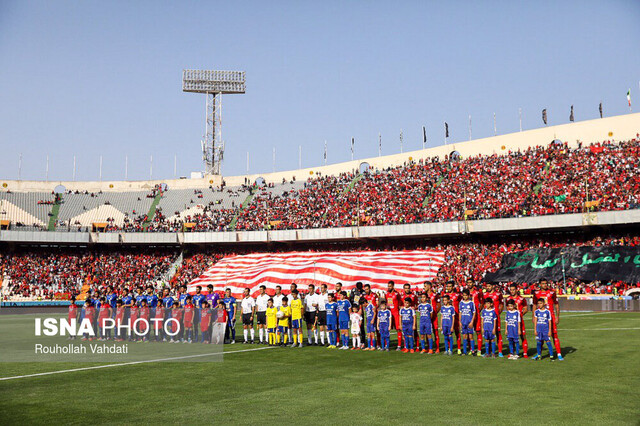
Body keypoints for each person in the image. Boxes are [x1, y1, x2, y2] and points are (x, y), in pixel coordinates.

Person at [533, 279, 563, 360]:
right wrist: (533, 316)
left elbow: (556, 305)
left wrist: (557, 317)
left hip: (551, 317)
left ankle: (559, 353)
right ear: (540, 284)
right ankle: (539, 354)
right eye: (543, 283)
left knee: (554, 335)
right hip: (540, 318)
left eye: (546, 283)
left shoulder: (552, 293)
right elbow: (534, 305)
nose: (545, 285)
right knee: (540, 337)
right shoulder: (536, 293)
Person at [506, 283, 529, 358]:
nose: (512, 291)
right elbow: (507, 309)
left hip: (519, 321)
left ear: (516, 290)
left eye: (513, 290)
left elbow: (526, 308)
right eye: (511, 290)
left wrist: (520, 314)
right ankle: (512, 353)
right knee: (511, 337)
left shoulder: (521, 299)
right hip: (511, 322)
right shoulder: (508, 299)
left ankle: (525, 353)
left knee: (523, 336)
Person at [484, 282, 504, 357]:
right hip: (487, 318)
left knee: (498, 333)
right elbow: (483, 304)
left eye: (489, 286)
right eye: (487, 286)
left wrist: (498, 312)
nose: (488, 287)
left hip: (495, 318)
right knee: (488, 335)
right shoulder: (485, 294)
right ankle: (488, 352)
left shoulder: (498, 294)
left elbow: (502, 304)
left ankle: (500, 351)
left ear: (493, 286)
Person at [442, 281, 462, 354]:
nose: (448, 288)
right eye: (447, 286)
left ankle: (459, 348)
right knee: (447, 334)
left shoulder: (457, 295)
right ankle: (448, 349)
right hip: (447, 318)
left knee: (457, 333)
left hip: (455, 317)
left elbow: (461, 304)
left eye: (450, 286)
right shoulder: (445, 295)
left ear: (453, 287)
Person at [465, 279, 484, 354]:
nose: (469, 284)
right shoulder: (465, 292)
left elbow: (482, 302)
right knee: (469, 333)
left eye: (470, 282)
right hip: (468, 315)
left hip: (476, 315)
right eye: (468, 283)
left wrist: (478, 310)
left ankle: (479, 350)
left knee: (478, 331)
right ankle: (471, 349)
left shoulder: (478, 292)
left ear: (473, 283)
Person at [423, 281, 441, 352]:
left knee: (435, 331)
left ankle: (437, 348)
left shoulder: (435, 295)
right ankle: (429, 348)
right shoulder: (424, 295)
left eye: (425, 286)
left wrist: (435, 313)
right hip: (426, 317)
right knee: (427, 332)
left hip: (434, 317)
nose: (424, 288)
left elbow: (439, 305)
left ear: (429, 286)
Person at [385, 281, 403, 350]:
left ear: (393, 286)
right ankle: (387, 345)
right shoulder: (386, 294)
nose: (389, 287)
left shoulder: (396, 294)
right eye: (388, 286)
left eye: (390, 286)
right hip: (389, 314)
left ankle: (399, 345)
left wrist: (399, 307)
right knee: (387, 329)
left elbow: (400, 302)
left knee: (398, 329)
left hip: (396, 314)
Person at [459, 289, 477, 356]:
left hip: (469, 322)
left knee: (471, 336)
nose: (465, 297)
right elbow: (460, 312)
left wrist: (472, 322)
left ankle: (472, 351)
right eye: (463, 295)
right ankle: (464, 351)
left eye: (466, 295)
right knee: (464, 336)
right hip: (463, 322)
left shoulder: (471, 303)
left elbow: (474, 313)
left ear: (469, 296)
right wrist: (460, 321)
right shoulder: (461, 303)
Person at [363, 284, 380, 348]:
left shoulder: (374, 295)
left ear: (370, 288)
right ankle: (371, 345)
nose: (366, 290)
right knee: (370, 331)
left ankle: (378, 344)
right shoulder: (364, 296)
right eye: (365, 289)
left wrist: (375, 308)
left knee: (376, 330)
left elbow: (377, 303)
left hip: (374, 314)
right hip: (368, 315)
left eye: (367, 289)